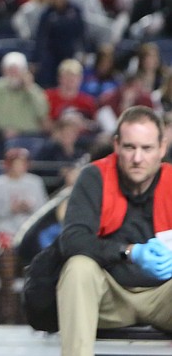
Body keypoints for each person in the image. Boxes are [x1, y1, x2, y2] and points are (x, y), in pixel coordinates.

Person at [58, 106, 172, 356]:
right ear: (117, 145)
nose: (138, 158)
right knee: (78, 267)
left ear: (162, 149)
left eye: (147, 148)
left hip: (163, 297)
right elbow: (72, 241)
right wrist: (129, 251)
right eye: (130, 147)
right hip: (109, 296)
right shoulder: (94, 177)